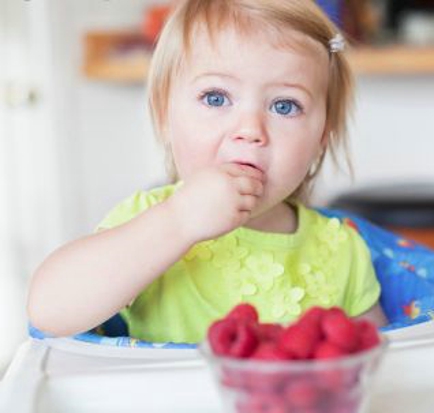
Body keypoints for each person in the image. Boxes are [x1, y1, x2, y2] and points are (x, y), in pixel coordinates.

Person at [27, 0, 387, 344]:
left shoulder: (343, 249)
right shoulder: (148, 219)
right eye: (216, 98)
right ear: (165, 115)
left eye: (284, 105)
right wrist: (178, 222)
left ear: (322, 137)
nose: (250, 129)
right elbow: (49, 311)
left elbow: (380, 368)